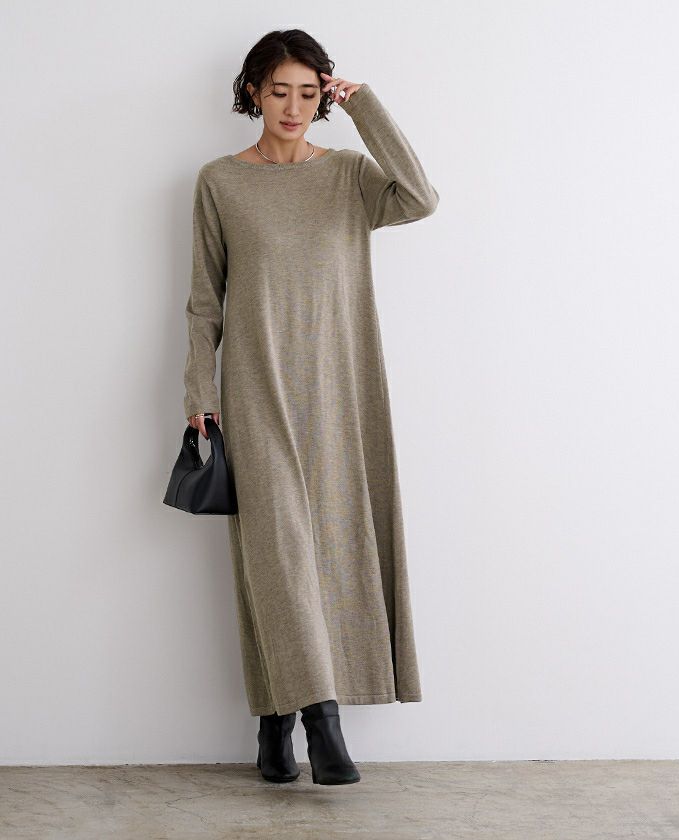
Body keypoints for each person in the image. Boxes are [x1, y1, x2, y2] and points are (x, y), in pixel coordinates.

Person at [183, 28, 439, 785]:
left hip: (340, 389)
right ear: (252, 93)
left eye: (307, 91)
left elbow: (421, 198)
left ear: (322, 95)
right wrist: (199, 392)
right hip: (255, 389)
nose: (292, 107)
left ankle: (274, 725)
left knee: (334, 551)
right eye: (278, 91)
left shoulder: (351, 177)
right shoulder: (220, 182)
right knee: (280, 556)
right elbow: (204, 301)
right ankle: (324, 727)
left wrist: (367, 108)